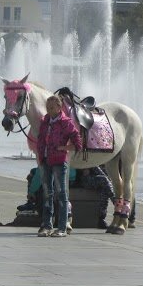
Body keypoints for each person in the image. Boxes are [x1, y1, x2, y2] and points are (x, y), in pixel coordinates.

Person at [36, 94, 82, 237]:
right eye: (47, 107)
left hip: (59, 162)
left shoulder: (66, 122)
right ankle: (46, 226)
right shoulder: (45, 121)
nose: (48, 110)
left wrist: (65, 148)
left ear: (59, 107)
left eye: (51, 107)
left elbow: (78, 142)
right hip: (45, 160)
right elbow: (41, 138)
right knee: (47, 194)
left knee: (61, 194)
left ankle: (62, 227)